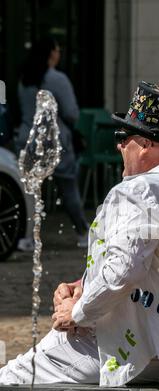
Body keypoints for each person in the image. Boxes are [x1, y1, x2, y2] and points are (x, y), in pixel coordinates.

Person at [0, 81, 159, 386]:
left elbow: (123, 271)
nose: (119, 146)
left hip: (123, 350)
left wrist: (76, 312)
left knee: (9, 381)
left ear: (145, 144)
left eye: (123, 137)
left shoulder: (137, 192)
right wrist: (84, 285)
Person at [15, 36, 89, 250]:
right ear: (51, 54)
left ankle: (26, 236)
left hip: (27, 141)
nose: (59, 54)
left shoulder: (25, 78)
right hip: (54, 143)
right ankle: (83, 232)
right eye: (57, 50)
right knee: (68, 190)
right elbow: (71, 113)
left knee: (30, 192)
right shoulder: (57, 79)